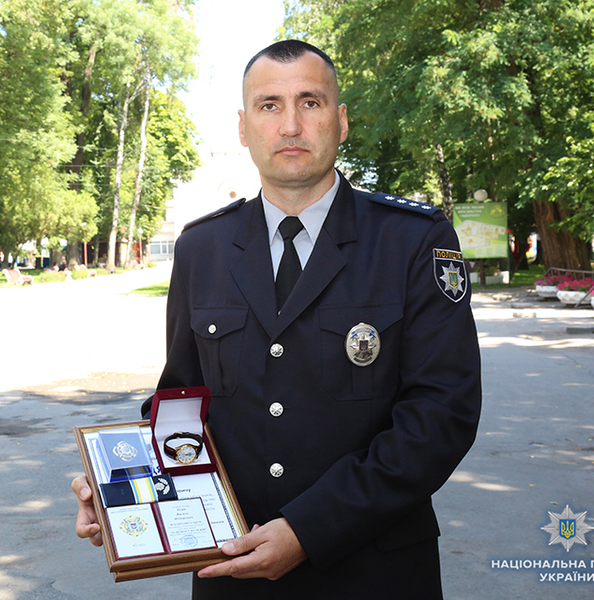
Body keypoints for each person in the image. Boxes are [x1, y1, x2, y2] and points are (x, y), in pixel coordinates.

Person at [72, 40, 482, 598]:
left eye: (310, 102)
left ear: (340, 122)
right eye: (269, 106)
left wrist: (308, 529)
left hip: (374, 572)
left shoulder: (412, 240)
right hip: (231, 568)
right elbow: (182, 402)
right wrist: (123, 484)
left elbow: (441, 413)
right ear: (244, 128)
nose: (290, 124)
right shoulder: (203, 247)